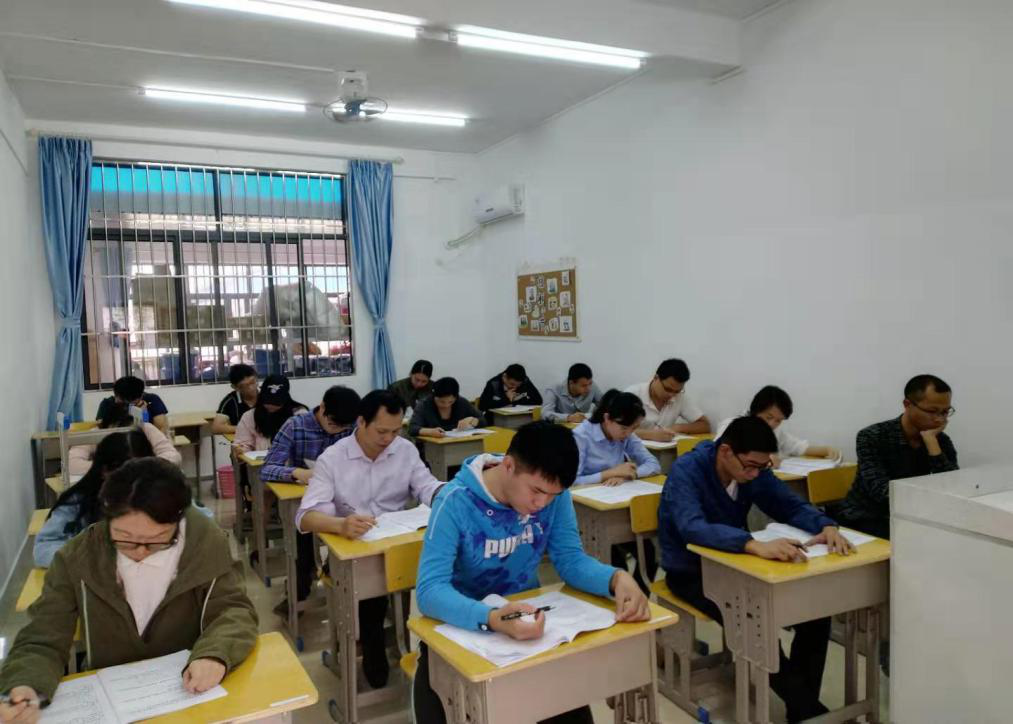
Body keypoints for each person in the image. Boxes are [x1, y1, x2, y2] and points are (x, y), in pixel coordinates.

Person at [412, 421, 651, 724]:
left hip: (529, 632)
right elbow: (430, 592)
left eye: (553, 495)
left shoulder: (553, 495)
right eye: (536, 491)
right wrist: (492, 618)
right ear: (509, 466)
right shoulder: (455, 501)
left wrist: (616, 578)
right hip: (460, 631)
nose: (542, 504)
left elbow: (570, 561)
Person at [0, 459, 258, 720]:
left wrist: (215, 654)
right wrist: (25, 684)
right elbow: (43, 637)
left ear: (178, 520)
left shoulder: (205, 542)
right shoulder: (78, 557)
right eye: (124, 538)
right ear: (107, 516)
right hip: (112, 702)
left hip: (189, 693)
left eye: (156, 541)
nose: (140, 552)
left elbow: (233, 610)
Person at [658, 416, 853, 722]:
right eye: (749, 466)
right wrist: (750, 543)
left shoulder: (754, 469)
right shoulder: (688, 470)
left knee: (816, 613)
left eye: (761, 467)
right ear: (726, 451)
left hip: (740, 567)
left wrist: (825, 525)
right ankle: (808, 710)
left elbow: (787, 504)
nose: (754, 474)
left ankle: (799, 708)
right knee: (753, 620)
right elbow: (691, 527)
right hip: (691, 572)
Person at [297, 390, 445, 689]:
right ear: (361, 422)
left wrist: (448, 495)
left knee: (442, 578)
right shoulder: (333, 459)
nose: (389, 439)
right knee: (372, 600)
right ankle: (375, 648)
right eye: (381, 431)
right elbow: (306, 517)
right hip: (355, 550)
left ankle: (431, 651)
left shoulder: (405, 450)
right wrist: (340, 524)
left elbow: (426, 487)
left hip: (398, 541)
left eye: (395, 431)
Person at [261, 385, 361, 610]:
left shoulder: (352, 426)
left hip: (344, 497)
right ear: (322, 407)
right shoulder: (295, 425)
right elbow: (267, 469)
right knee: (302, 543)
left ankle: (341, 579)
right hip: (307, 500)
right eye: (333, 424)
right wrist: (298, 473)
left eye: (343, 427)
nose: (337, 431)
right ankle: (299, 593)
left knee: (357, 530)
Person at [834, 374, 958, 540]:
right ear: (907, 405)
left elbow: (953, 488)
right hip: (866, 518)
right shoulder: (872, 436)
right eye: (932, 411)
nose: (939, 419)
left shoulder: (939, 440)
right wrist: (930, 500)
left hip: (912, 517)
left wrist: (931, 443)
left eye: (945, 412)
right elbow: (882, 493)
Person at [572, 390, 661, 591]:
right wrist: (608, 473)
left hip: (619, 507)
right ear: (607, 418)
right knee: (615, 565)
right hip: (589, 513)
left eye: (634, 428)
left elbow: (653, 464)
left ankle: (637, 596)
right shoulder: (581, 436)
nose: (628, 433)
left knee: (649, 556)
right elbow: (572, 481)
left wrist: (630, 474)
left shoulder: (625, 433)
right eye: (624, 428)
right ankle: (620, 598)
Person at [35, 431, 154, 567]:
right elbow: (43, 548)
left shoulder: (160, 498)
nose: (134, 485)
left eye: (142, 476)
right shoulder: (79, 501)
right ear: (104, 472)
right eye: (125, 477)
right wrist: (88, 560)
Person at [714, 386, 841, 467]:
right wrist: (764, 459)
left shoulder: (776, 431)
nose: (772, 424)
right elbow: (719, 453)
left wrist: (826, 450)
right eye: (768, 417)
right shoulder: (733, 425)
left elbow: (797, 447)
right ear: (755, 411)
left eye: (778, 420)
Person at [68, 401, 180, 476]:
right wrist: (114, 468)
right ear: (107, 425)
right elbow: (72, 464)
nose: (125, 437)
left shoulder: (145, 428)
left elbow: (173, 455)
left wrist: (142, 466)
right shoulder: (96, 433)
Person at [625, 358, 709, 442]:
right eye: (668, 389)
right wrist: (651, 435)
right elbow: (619, 429)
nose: (671, 395)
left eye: (677, 391)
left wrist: (677, 428)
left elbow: (705, 425)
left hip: (667, 449)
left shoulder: (679, 397)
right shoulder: (632, 394)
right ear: (656, 378)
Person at [232, 375, 308, 453]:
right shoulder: (250, 416)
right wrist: (240, 450)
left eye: (276, 402)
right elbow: (242, 444)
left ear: (286, 399)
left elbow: (307, 444)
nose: (271, 406)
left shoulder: (300, 415)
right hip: (259, 460)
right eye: (268, 401)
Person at [409, 377, 483, 438]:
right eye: (441, 402)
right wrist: (429, 431)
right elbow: (412, 428)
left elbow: (484, 420)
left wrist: (473, 420)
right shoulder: (424, 405)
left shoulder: (461, 402)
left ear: (456, 397)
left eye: (451, 402)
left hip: (459, 443)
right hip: (431, 446)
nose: (446, 405)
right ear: (434, 396)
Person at [96, 375, 170, 435]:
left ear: (140, 396)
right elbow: (101, 428)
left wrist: (142, 415)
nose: (116, 400)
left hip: (148, 442)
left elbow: (162, 428)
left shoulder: (151, 399)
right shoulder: (107, 403)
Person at [478, 363, 543, 421]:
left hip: (519, 418)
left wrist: (516, 401)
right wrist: (506, 399)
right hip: (496, 420)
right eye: (512, 384)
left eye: (518, 385)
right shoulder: (493, 383)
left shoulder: (525, 381)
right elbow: (482, 406)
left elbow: (538, 400)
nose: (515, 387)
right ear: (504, 377)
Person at [210, 364, 258, 435]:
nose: (252, 388)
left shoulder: (267, 395)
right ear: (235, 387)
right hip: (243, 440)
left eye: (253, 382)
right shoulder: (230, 401)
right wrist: (245, 429)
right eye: (246, 386)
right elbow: (216, 428)